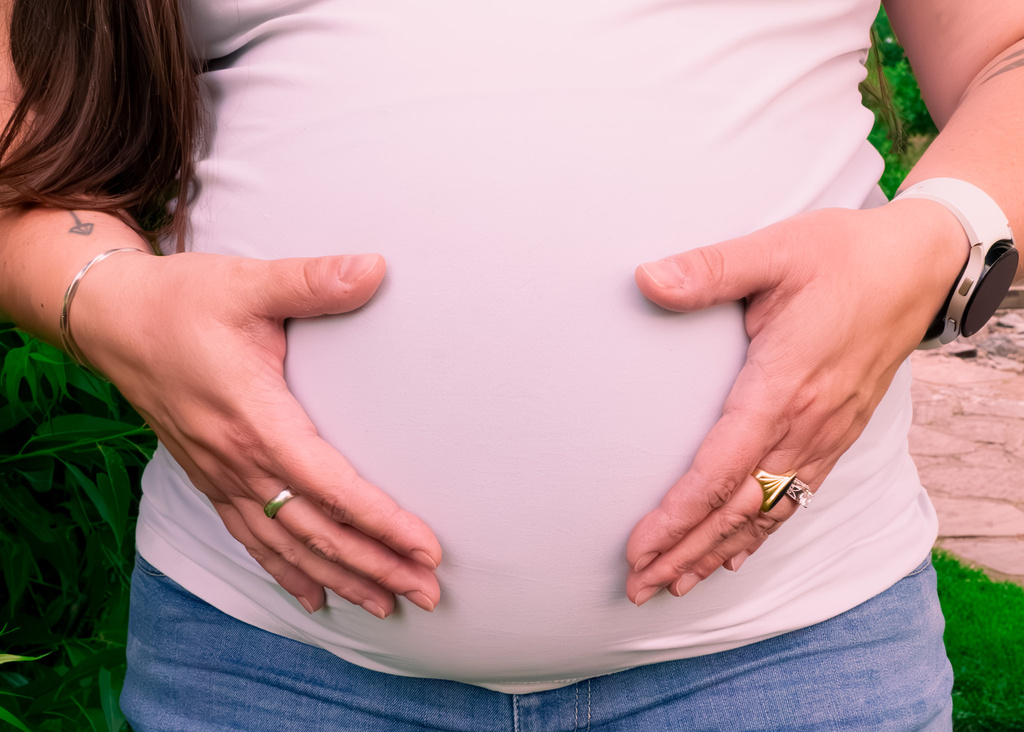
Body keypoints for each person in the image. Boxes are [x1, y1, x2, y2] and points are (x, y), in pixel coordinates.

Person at [1, 0, 1022, 728]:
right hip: (275, 663)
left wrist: (939, 238)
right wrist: (109, 302)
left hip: (793, 653)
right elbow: (18, 156)